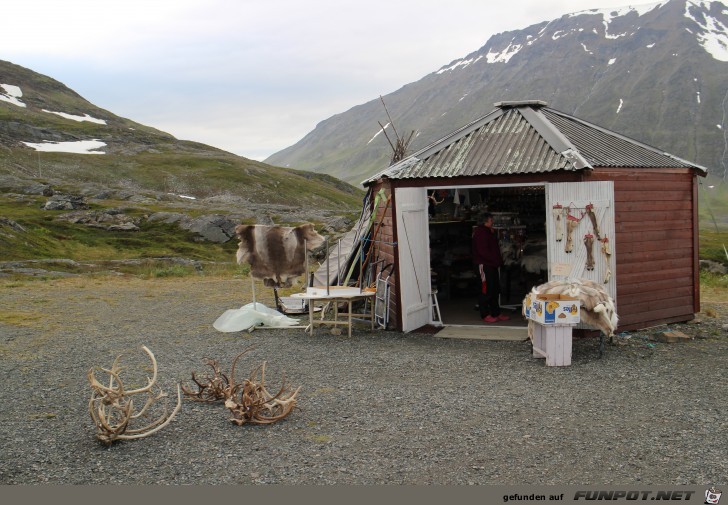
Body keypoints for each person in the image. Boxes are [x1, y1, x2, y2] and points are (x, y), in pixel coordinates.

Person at [472, 212, 510, 323]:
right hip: (484, 265)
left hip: (491, 264)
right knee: (485, 290)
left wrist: (497, 261)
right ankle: (485, 314)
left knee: (494, 289)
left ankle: (496, 312)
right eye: (490, 220)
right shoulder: (480, 233)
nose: (492, 221)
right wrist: (495, 260)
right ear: (486, 221)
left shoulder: (487, 232)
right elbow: (483, 252)